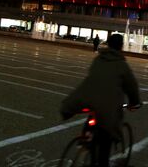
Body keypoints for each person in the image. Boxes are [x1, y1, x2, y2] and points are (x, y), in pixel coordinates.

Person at [60, 34, 141, 167]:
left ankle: (85, 139)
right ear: (121, 46)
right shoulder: (122, 65)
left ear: (108, 44)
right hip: (107, 109)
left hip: (88, 99)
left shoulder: (98, 59)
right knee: (105, 141)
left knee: (93, 116)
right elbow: (132, 87)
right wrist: (135, 102)